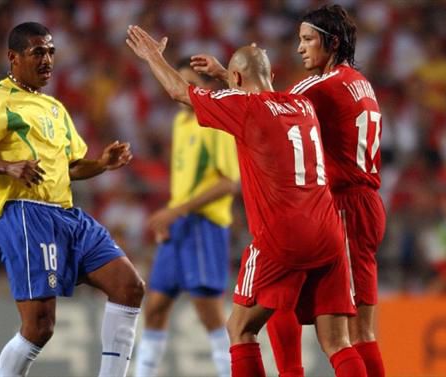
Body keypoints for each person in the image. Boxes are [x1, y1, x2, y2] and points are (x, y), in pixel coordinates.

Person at [126, 25, 366, 377]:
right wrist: (227, 74)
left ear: (237, 77)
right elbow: (259, 90)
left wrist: (153, 57)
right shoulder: (301, 104)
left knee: (240, 328)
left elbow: (180, 91)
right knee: (337, 342)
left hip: (281, 236)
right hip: (329, 233)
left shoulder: (246, 108)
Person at [190, 5, 386, 377]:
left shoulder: (315, 87)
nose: (300, 49)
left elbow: (268, 106)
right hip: (368, 203)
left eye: (308, 39)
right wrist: (228, 75)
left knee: (306, 311)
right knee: (359, 331)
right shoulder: (361, 82)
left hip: (338, 206)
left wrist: (234, 78)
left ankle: (291, 372)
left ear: (333, 43)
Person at [0, 22, 145, 377]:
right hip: (24, 214)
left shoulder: (53, 107)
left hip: (66, 215)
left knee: (129, 287)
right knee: (39, 327)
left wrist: (102, 164)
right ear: (13, 57)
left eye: (51, 51)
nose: (47, 59)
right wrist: (8, 167)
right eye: (38, 52)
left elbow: (71, 167)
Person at [133, 59, 240, 377]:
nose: (180, 89)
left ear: (205, 87)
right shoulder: (181, 122)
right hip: (178, 227)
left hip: (205, 226)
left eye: (189, 82)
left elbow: (228, 182)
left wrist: (176, 211)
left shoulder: (217, 122)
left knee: (208, 312)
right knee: (155, 308)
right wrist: (170, 218)